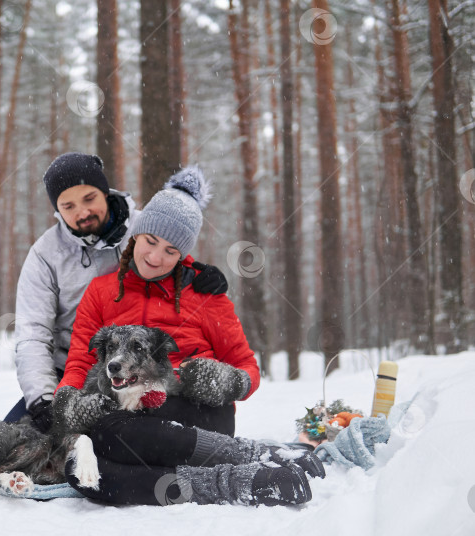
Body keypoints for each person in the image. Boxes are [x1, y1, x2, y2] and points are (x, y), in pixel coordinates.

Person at [53, 166, 324, 506]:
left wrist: (230, 382)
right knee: (82, 472)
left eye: (170, 251)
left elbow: (246, 367)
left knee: (110, 434)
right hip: (130, 416)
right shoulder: (101, 292)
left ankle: (249, 454)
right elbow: (79, 359)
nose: (155, 257)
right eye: (150, 242)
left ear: (183, 254)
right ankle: (241, 481)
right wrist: (67, 402)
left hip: (196, 413)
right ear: (135, 235)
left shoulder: (206, 294)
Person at [7, 153, 229, 432]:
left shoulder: (144, 225)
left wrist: (201, 274)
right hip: (72, 370)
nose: (82, 212)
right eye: (68, 206)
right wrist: (43, 398)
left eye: (89, 199)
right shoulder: (45, 254)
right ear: (57, 210)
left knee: (124, 438)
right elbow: (32, 335)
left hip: (136, 365)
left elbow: (171, 255)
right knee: (18, 435)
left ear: (105, 192)